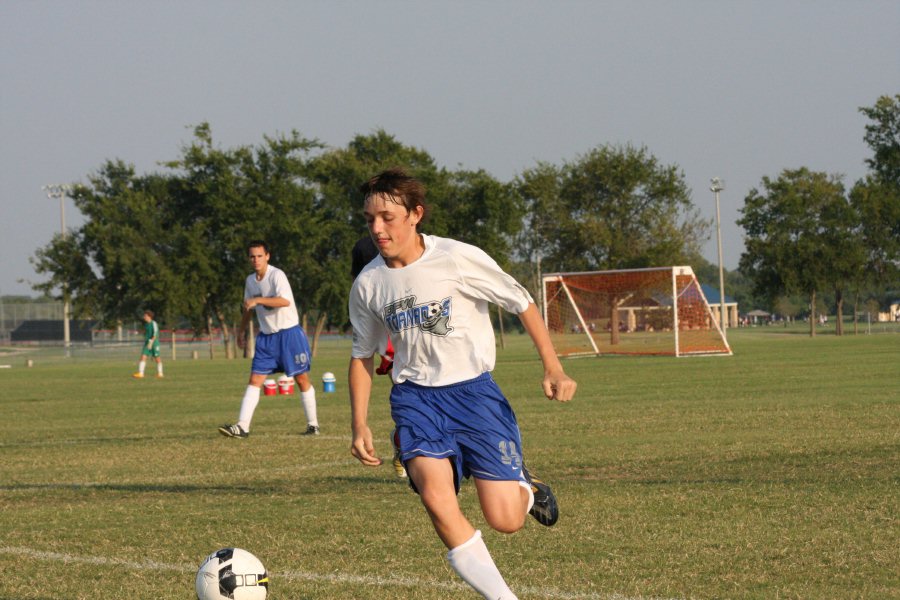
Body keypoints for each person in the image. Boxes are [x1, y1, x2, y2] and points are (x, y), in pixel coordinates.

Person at [348, 168, 577, 599]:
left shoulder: (455, 257)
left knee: (505, 519)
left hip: (474, 394)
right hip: (416, 400)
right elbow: (361, 355)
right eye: (369, 219)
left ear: (416, 215)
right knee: (437, 499)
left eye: (387, 218)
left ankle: (527, 488)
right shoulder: (368, 284)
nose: (377, 228)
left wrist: (554, 366)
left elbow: (521, 302)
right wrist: (359, 423)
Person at [218, 240, 320, 438]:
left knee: (301, 379)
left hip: (289, 335)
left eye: (259, 256)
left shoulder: (277, 275)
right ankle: (242, 427)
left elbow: (284, 301)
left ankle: (313, 425)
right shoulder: (250, 281)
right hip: (266, 338)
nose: (255, 260)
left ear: (267, 256)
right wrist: (241, 331)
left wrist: (259, 300)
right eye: (252, 256)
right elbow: (248, 307)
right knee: (255, 379)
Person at [351, 235, 405, 478]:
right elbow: (360, 288)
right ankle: (403, 439)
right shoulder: (364, 250)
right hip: (393, 344)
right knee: (415, 396)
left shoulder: (409, 242)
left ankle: (403, 438)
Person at [132, 309, 163, 379]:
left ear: (149, 316)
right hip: (147, 343)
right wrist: (139, 332)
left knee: (157, 358)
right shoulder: (146, 324)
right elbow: (146, 332)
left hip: (154, 343)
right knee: (143, 356)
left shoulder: (153, 323)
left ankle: (160, 373)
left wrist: (152, 341)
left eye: (145, 316)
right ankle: (141, 373)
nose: (144, 317)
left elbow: (155, 333)